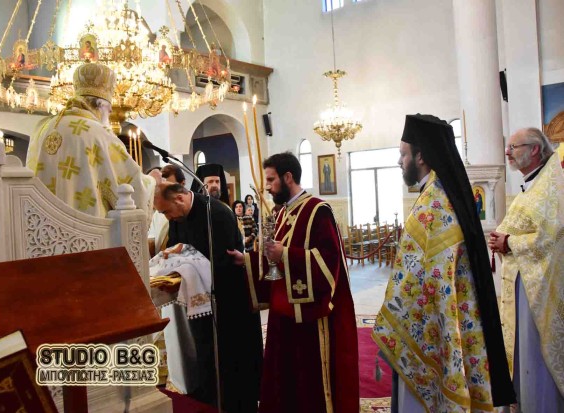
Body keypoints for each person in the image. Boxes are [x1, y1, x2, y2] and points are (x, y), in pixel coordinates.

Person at [373, 114, 516, 412]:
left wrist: (394, 314)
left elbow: (424, 273)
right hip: (447, 310)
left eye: (403, 154)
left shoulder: (435, 203)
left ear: (420, 156)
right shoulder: (439, 192)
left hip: (432, 319)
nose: (400, 161)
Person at [227, 152, 360, 413]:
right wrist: (247, 260)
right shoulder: (281, 213)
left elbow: (330, 262)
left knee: (306, 383)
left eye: (271, 180)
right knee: (284, 382)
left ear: (288, 177)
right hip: (282, 315)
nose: (267, 186)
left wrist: (286, 254)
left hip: (308, 318)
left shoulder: (317, 210)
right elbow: (274, 259)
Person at [154, 183, 263, 413]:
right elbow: (176, 248)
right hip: (200, 301)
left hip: (230, 300)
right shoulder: (177, 217)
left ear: (180, 199)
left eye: (166, 211)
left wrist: (188, 267)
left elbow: (223, 260)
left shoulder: (217, 213)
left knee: (232, 358)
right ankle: (211, 401)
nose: (167, 217)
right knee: (206, 353)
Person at [488, 127, 564, 413]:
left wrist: (510, 242)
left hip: (539, 287)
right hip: (523, 281)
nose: (507, 152)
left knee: (534, 351)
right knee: (522, 350)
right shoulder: (534, 184)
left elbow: (555, 235)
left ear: (534, 150)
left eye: (514, 147)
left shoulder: (551, 184)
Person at [27, 62, 157, 219]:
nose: (111, 112)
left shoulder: (42, 127)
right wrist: (152, 182)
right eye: (109, 108)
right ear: (100, 105)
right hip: (87, 229)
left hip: (41, 225)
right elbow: (129, 186)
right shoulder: (98, 133)